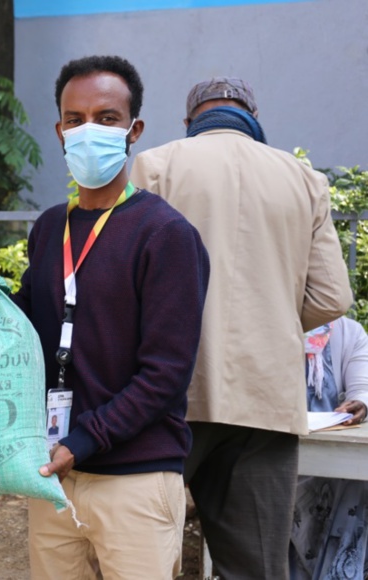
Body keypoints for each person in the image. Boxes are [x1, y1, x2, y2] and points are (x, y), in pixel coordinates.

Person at [131, 77, 352, 578]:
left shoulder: (157, 164)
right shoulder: (304, 177)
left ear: (190, 121)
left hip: (168, 393)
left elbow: (131, 281)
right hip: (266, 400)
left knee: (140, 559)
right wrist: (272, 321)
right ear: (252, 114)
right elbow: (333, 297)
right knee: (255, 568)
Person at [11, 56, 210, 579]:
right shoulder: (52, 227)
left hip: (134, 478)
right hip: (53, 476)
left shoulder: (166, 235)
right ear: (59, 130)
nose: (87, 131)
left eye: (105, 117)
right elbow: (32, 325)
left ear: (133, 129)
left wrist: (83, 441)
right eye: (74, 120)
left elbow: (165, 373)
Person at [290, 317, 368, 579]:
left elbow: (363, 388)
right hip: (278, 452)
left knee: (357, 478)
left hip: (333, 457)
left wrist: (361, 404)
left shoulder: (350, 332)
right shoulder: (269, 324)